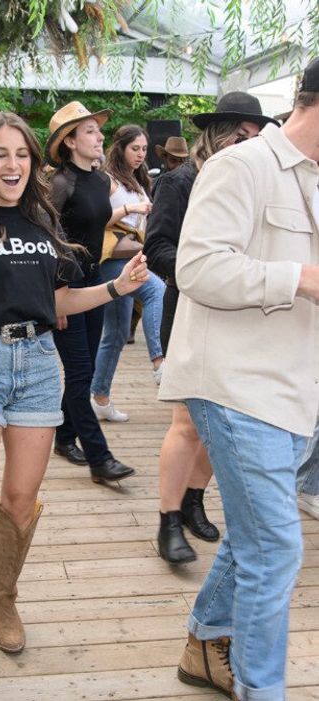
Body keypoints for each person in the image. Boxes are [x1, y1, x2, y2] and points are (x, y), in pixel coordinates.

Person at [0, 111, 150, 696]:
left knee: (19, 501)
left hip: (39, 367)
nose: (12, 165)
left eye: (21, 154)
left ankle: (2, 599)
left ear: (34, 162)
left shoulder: (45, 221)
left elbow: (62, 298)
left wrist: (119, 288)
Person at [159, 64, 319, 700]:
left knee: (258, 532)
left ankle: (205, 640)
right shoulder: (242, 165)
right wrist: (300, 278)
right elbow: (197, 268)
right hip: (234, 384)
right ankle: (263, 690)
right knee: (276, 548)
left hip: (294, 390)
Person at [143, 92, 277, 565]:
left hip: (241, 319)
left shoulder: (258, 180)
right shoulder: (181, 181)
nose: (250, 143)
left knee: (219, 421)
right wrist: (207, 273)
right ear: (220, 134)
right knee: (186, 423)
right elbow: (156, 246)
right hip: (192, 311)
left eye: (256, 136)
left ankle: (195, 499)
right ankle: (168, 519)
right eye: (242, 134)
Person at [45, 101, 137, 484]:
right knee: (81, 370)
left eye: (98, 131)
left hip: (96, 283)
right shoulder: (59, 183)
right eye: (90, 132)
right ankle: (100, 458)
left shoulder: (101, 181)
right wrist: (56, 296)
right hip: (66, 287)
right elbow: (46, 240)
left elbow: (99, 228)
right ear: (69, 141)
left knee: (82, 372)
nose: (100, 137)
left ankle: (64, 436)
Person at [91, 124, 165, 421]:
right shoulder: (107, 180)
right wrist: (130, 208)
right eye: (135, 148)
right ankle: (160, 362)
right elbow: (95, 219)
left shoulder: (137, 180)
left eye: (144, 149)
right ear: (120, 147)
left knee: (118, 333)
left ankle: (100, 398)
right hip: (113, 261)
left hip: (132, 258)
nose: (140, 154)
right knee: (156, 291)